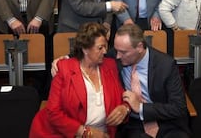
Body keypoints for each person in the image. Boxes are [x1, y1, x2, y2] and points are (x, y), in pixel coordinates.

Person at [51, 24, 191, 137]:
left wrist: (140, 107)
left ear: (140, 48)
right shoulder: (114, 57)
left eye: (123, 52)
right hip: (133, 125)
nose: (116, 55)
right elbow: (89, 51)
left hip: (166, 123)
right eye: (116, 50)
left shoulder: (165, 65)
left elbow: (179, 108)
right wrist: (65, 58)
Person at [29, 22, 129, 138]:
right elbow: (53, 112)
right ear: (85, 49)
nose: (105, 51)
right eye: (100, 48)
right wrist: (85, 132)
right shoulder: (64, 69)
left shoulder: (110, 66)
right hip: (69, 133)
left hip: (104, 134)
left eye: (106, 46)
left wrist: (125, 108)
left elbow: (124, 97)